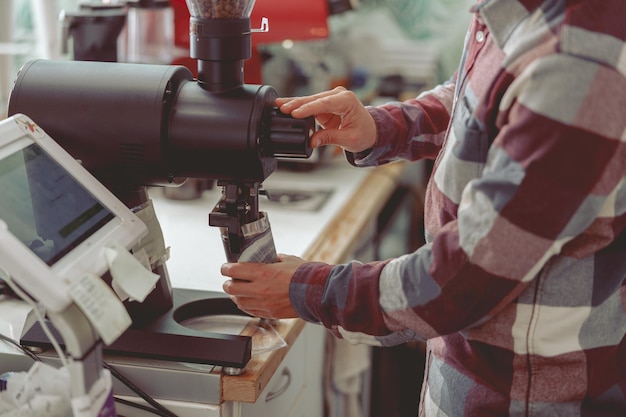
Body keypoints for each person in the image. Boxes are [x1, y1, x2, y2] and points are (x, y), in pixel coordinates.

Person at [221, 0, 626, 415]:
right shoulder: (509, 12)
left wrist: (311, 290)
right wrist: (381, 126)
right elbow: (473, 98)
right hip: (468, 373)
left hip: (523, 397)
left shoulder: (576, 63)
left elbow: (460, 280)